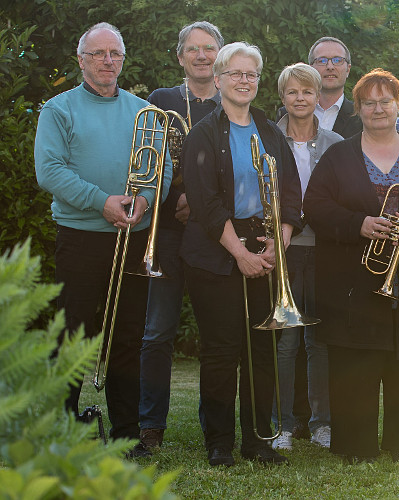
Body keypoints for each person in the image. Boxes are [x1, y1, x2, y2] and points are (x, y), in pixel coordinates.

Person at [304, 68, 399, 463]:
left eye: (385, 101)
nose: (378, 109)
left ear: (398, 105)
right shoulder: (339, 155)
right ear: (358, 109)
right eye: (369, 102)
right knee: (354, 365)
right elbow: (316, 208)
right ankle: (355, 446)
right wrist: (359, 224)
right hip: (351, 283)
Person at [34, 22, 171, 457]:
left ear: (123, 60)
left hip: (133, 236)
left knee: (129, 335)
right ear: (81, 60)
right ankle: (64, 428)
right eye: (98, 54)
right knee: (72, 333)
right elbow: (49, 171)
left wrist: (145, 202)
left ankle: (129, 433)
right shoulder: (58, 109)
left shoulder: (142, 110)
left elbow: (162, 169)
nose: (108, 61)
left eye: (115, 53)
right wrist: (102, 202)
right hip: (80, 237)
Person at [180, 42, 302, 466]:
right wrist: (239, 253)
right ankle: (219, 443)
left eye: (251, 74)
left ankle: (257, 441)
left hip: (265, 244)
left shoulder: (269, 129)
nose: (244, 80)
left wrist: (281, 238)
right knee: (221, 350)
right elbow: (205, 201)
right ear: (218, 80)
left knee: (261, 348)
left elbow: (290, 188)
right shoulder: (204, 133)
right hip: (216, 250)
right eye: (235, 74)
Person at [139, 20, 224, 451]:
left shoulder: (233, 102)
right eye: (194, 49)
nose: (202, 56)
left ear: (220, 56)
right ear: (180, 57)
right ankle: (150, 425)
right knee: (157, 331)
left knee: (215, 334)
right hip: (169, 231)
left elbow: (239, 170)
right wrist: (181, 193)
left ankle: (215, 429)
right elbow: (150, 163)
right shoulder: (161, 100)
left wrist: (203, 198)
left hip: (215, 234)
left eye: (210, 49)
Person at [271, 63, 343, 452]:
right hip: (283, 250)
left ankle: (321, 424)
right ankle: (282, 423)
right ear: (283, 97)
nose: (300, 98)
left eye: (307, 92)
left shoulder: (336, 143)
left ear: (319, 97)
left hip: (324, 250)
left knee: (320, 342)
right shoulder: (266, 138)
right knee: (285, 342)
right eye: (292, 92)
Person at [277, 36, 362, 139]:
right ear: (310, 68)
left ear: (348, 70)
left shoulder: (360, 116)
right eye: (322, 61)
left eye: (337, 60)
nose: (330, 67)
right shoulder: (286, 113)